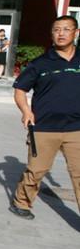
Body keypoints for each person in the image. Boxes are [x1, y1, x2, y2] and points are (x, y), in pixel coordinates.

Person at [8, 15, 80, 219]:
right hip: (44, 128)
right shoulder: (40, 63)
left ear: (76, 32)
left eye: (66, 29)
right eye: (57, 30)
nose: (61, 33)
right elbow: (20, 90)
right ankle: (21, 202)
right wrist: (26, 111)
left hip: (77, 128)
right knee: (36, 170)